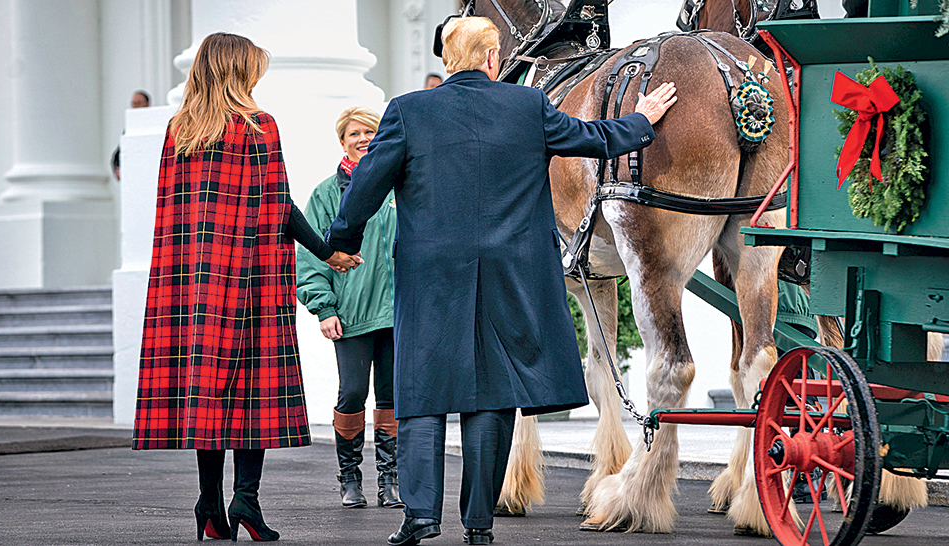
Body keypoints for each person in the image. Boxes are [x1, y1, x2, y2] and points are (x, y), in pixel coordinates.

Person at [325, 16, 677, 546]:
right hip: (513, 274)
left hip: (432, 276)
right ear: (493, 59)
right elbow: (595, 140)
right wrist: (640, 119)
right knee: (491, 395)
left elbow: (365, 188)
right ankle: (478, 524)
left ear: (448, 60)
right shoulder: (527, 106)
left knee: (420, 392)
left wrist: (343, 241)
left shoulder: (408, 111)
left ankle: (420, 516)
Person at [131, 32, 360, 543]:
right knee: (254, 390)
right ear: (238, 70)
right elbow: (281, 207)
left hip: (193, 285)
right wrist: (328, 252)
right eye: (254, 67)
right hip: (251, 280)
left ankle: (208, 502)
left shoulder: (178, 131)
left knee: (209, 391)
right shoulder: (259, 128)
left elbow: (175, 216)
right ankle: (246, 501)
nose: (259, 76)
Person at [296, 106, 403, 510]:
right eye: (354, 133)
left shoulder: (397, 186)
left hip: (396, 313)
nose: (363, 139)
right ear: (342, 141)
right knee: (353, 393)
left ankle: (389, 481)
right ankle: (350, 477)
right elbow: (309, 256)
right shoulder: (326, 193)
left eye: (370, 132)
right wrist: (323, 308)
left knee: (392, 396)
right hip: (351, 315)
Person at [111, 90, 152, 181]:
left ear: (147, 105)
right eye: (133, 104)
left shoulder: (153, 123)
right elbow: (119, 151)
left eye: (138, 103)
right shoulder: (129, 128)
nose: (135, 107)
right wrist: (117, 168)